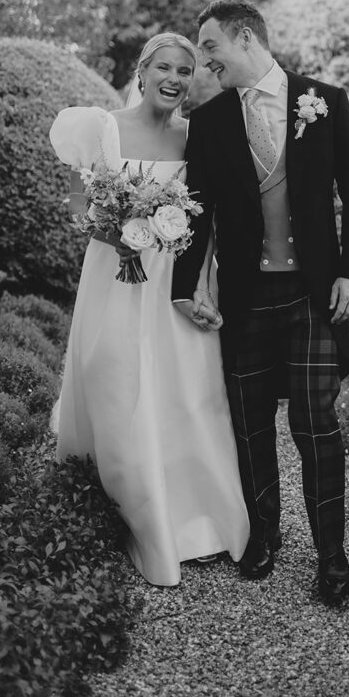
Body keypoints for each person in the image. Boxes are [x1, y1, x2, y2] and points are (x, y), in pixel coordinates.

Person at [172, 0, 349, 603]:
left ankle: (332, 556)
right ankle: (264, 535)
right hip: (246, 296)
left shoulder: (325, 100)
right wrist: (185, 287)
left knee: (316, 423)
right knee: (250, 423)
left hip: (313, 293)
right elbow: (197, 211)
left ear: (245, 37)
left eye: (210, 47)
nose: (205, 62)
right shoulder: (210, 121)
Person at [49, 32, 249, 586]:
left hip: (174, 279)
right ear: (142, 72)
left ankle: (198, 519)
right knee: (115, 380)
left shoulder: (195, 135)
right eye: (164, 67)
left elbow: (208, 213)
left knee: (187, 390)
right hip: (115, 274)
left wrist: (202, 280)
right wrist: (112, 229)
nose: (175, 79)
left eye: (185, 71)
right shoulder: (103, 128)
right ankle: (125, 508)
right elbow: (77, 203)